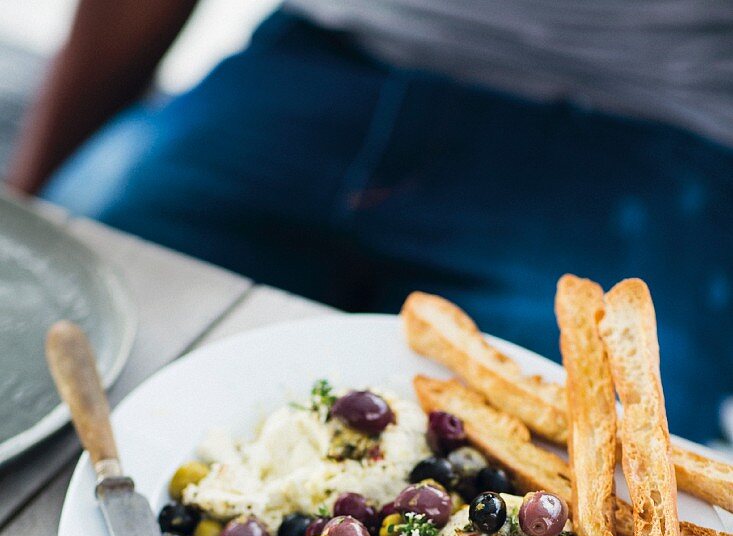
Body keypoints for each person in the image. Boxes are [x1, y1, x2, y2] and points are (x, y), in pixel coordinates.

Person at [7, 1, 733, 443]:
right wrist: (31, 200)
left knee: (587, 472)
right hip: (318, 64)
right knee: (43, 330)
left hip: (650, 130)